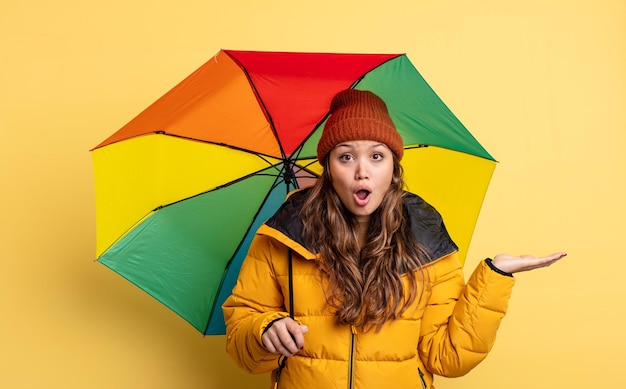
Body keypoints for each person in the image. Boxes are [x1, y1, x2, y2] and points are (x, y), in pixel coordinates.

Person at [222, 89, 565, 389]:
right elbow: (243, 343)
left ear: (393, 167)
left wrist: (495, 277)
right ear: (328, 169)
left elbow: (449, 358)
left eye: (376, 155)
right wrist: (264, 329)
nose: (362, 171)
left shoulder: (427, 241)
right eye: (346, 156)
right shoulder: (284, 235)